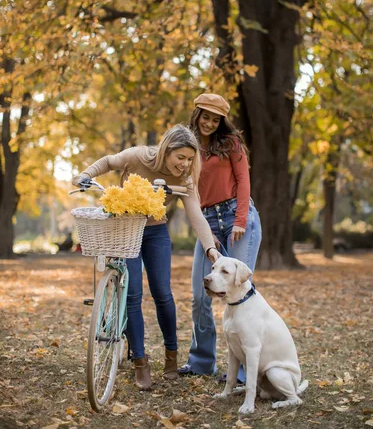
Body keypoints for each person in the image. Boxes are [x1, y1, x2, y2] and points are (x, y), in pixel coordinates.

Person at [72, 125, 220, 391]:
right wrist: (85, 174)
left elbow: (196, 215)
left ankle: (171, 356)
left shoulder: (186, 179)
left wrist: (210, 248)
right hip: (125, 229)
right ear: (166, 151)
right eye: (180, 158)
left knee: (163, 292)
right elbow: (109, 162)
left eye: (190, 159)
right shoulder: (138, 156)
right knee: (133, 295)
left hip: (156, 232)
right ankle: (140, 361)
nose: (185, 164)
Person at [178, 93, 262, 381]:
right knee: (201, 294)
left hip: (238, 219)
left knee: (239, 290)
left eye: (216, 119)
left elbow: (243, 182)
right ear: (197, 114)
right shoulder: (187, 147)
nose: (209, 123)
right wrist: (204, 229)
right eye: (206, 117)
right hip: (207, 221)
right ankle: (202, 362)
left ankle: (243, 372)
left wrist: (240, 220)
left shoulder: (231, 144)